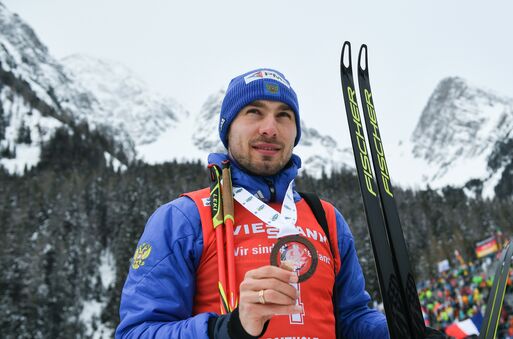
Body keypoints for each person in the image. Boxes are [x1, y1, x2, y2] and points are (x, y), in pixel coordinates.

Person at [116, 68, 392, 338]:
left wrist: (400, 330)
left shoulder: (326, 218)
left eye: (283, 115)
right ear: (228, 127)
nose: (270, 128)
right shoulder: (184, 218)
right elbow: (137, 332)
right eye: (254, 112)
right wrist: (228, 329)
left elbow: (352, 319)